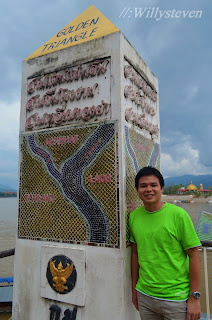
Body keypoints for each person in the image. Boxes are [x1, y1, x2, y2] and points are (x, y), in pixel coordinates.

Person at [129, 166, 201, 320]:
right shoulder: (134, 217)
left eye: (153, 185)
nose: (148, 189)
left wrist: (195, 297)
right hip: (145, 295)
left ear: (161, 188)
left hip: (176, 298)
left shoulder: (178, 215)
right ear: (137, 190)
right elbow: (135, 253)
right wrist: (134, 289)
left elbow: (194, 254)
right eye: (143, 186)